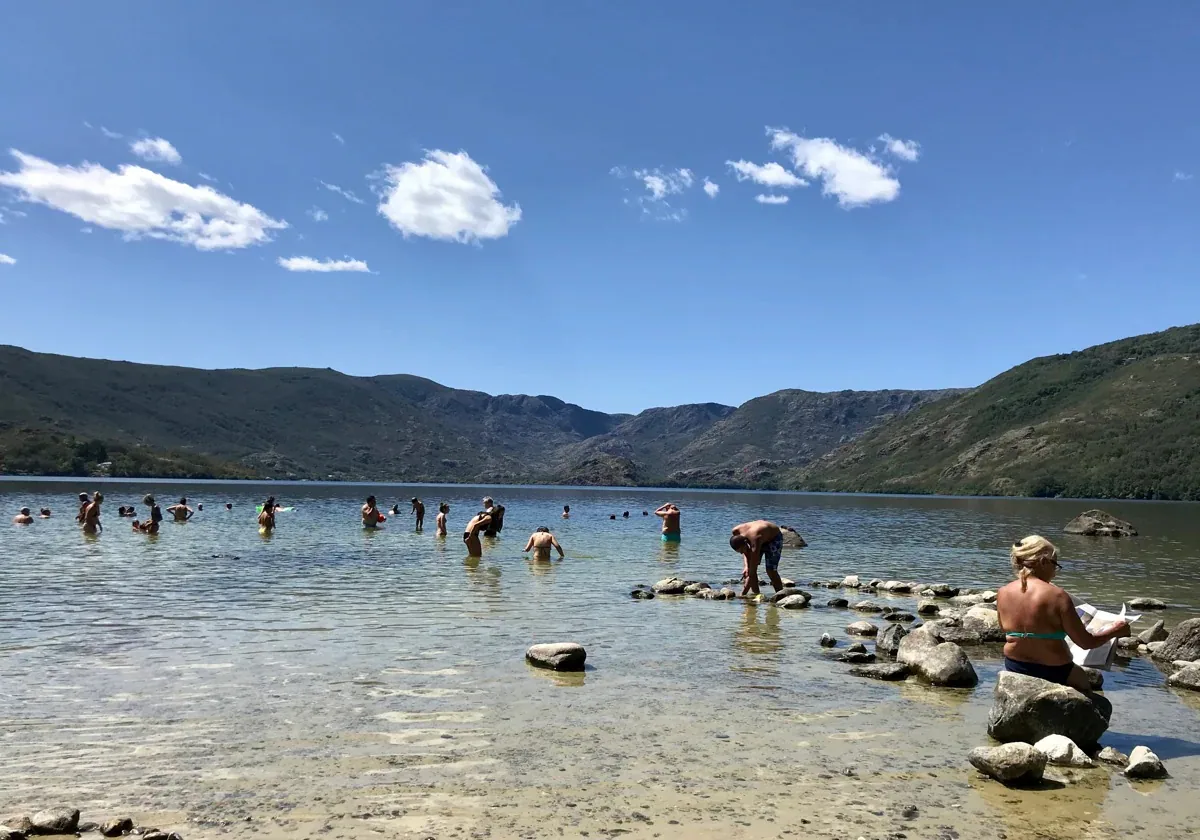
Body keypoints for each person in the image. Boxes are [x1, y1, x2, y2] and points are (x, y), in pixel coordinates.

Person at [997, 536, 1131, 690]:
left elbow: (1004, 628)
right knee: (1090, 697)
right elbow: (1086, 643)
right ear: (1043, 562)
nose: (1055, 573)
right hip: (1055, 669)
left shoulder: (1002, 592)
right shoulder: (1057, 595)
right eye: (1055, 565)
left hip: (1015, 664)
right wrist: (1115, 631)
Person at [730, 520, 785, 597]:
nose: (742, 553)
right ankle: (756, 594)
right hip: (758, 535)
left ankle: (781, 595)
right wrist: (746, 566)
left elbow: (752, 571)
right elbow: (746, 553)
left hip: (773, 538)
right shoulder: (736, 531)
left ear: (746, 543)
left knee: (770, 570)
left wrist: (743, 594)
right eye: (739, 552)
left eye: (742, 550)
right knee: (749, 568)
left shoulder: (755, 539)